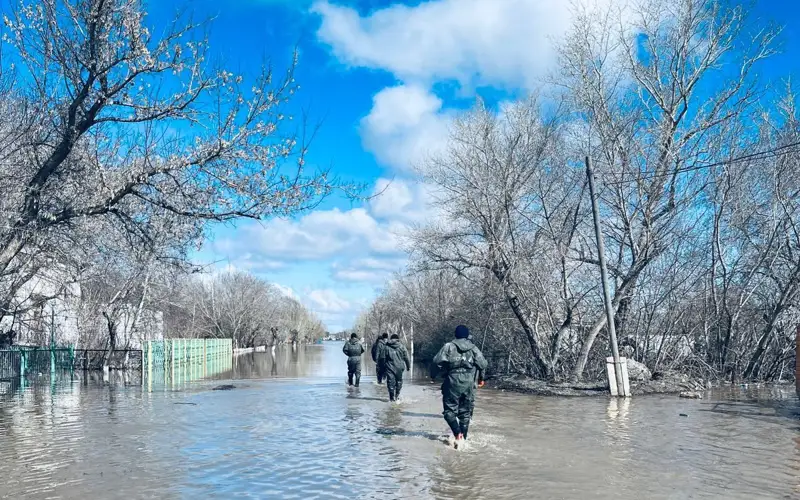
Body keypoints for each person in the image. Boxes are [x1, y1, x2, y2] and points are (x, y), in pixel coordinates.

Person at [431, 325, 487, 449]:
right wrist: (481, 379)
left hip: (452, 381)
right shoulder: (474, 348)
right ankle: (463, 440)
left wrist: (434, 376)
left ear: (455, 334)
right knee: (465, 414)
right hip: (468, 383)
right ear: (467, 336)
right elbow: (483, 364)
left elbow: (436, 361)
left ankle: (457, 435)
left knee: (449, 412)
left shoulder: (448, 346)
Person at [378, 333, 411, 402]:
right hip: (400, 367)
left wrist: (382, 368)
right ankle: (397, 395)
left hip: (389, 367)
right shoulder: (402, 347)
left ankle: (391, 398)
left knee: (390, 382)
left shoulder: (386, 347)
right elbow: (407, 358)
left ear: (391, 339)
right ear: (398, 339)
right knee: (399, 381)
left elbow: (382, 358)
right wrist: (408, 366)